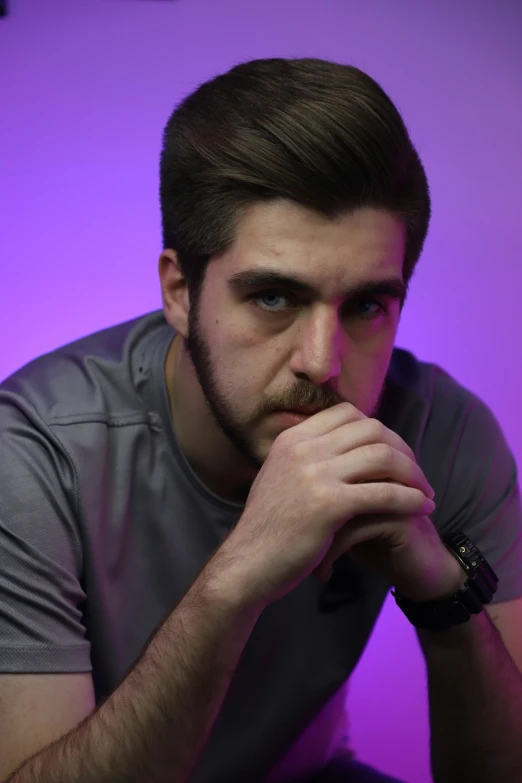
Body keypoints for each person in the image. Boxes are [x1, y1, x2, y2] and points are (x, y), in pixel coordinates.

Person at [1, 57, 522, 783]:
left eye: (367, 306)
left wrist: (444, 598)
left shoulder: (444, 434)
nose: (322, 362)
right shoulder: (33, 452)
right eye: (274, 297)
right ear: (180, 292)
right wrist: (237, 578)